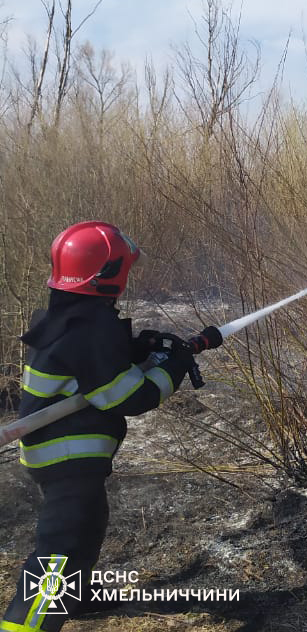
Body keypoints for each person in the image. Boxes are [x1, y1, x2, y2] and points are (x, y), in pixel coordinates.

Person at [2, 221, 195, 631]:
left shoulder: (65, 315)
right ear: (109, 274)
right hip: (68, 457)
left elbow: (87, 361)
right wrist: (174, 365)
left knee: (85, 530)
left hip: (55, 454)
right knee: (62, 547)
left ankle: (71, 595)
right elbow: (132, 396)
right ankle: (29, 621)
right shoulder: (89, 330)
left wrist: (136, 347)